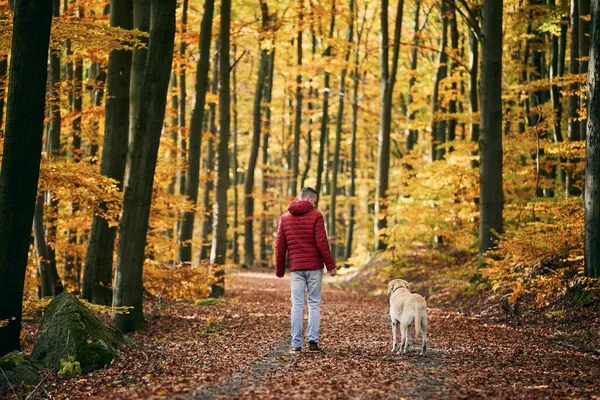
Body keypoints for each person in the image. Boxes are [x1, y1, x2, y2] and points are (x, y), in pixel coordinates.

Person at [275, 187, 337, 353]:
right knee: (314, 304)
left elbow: (280, 246)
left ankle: (296, 345)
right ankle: (313, 342)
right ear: (310, 199)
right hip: (314, 268)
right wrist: (330, 265)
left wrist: (280, 269)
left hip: (296, 269)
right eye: (314, 200)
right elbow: (322, 243)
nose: (315, 203)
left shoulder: (284, 218)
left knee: (296, 305)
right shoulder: (316, 216)